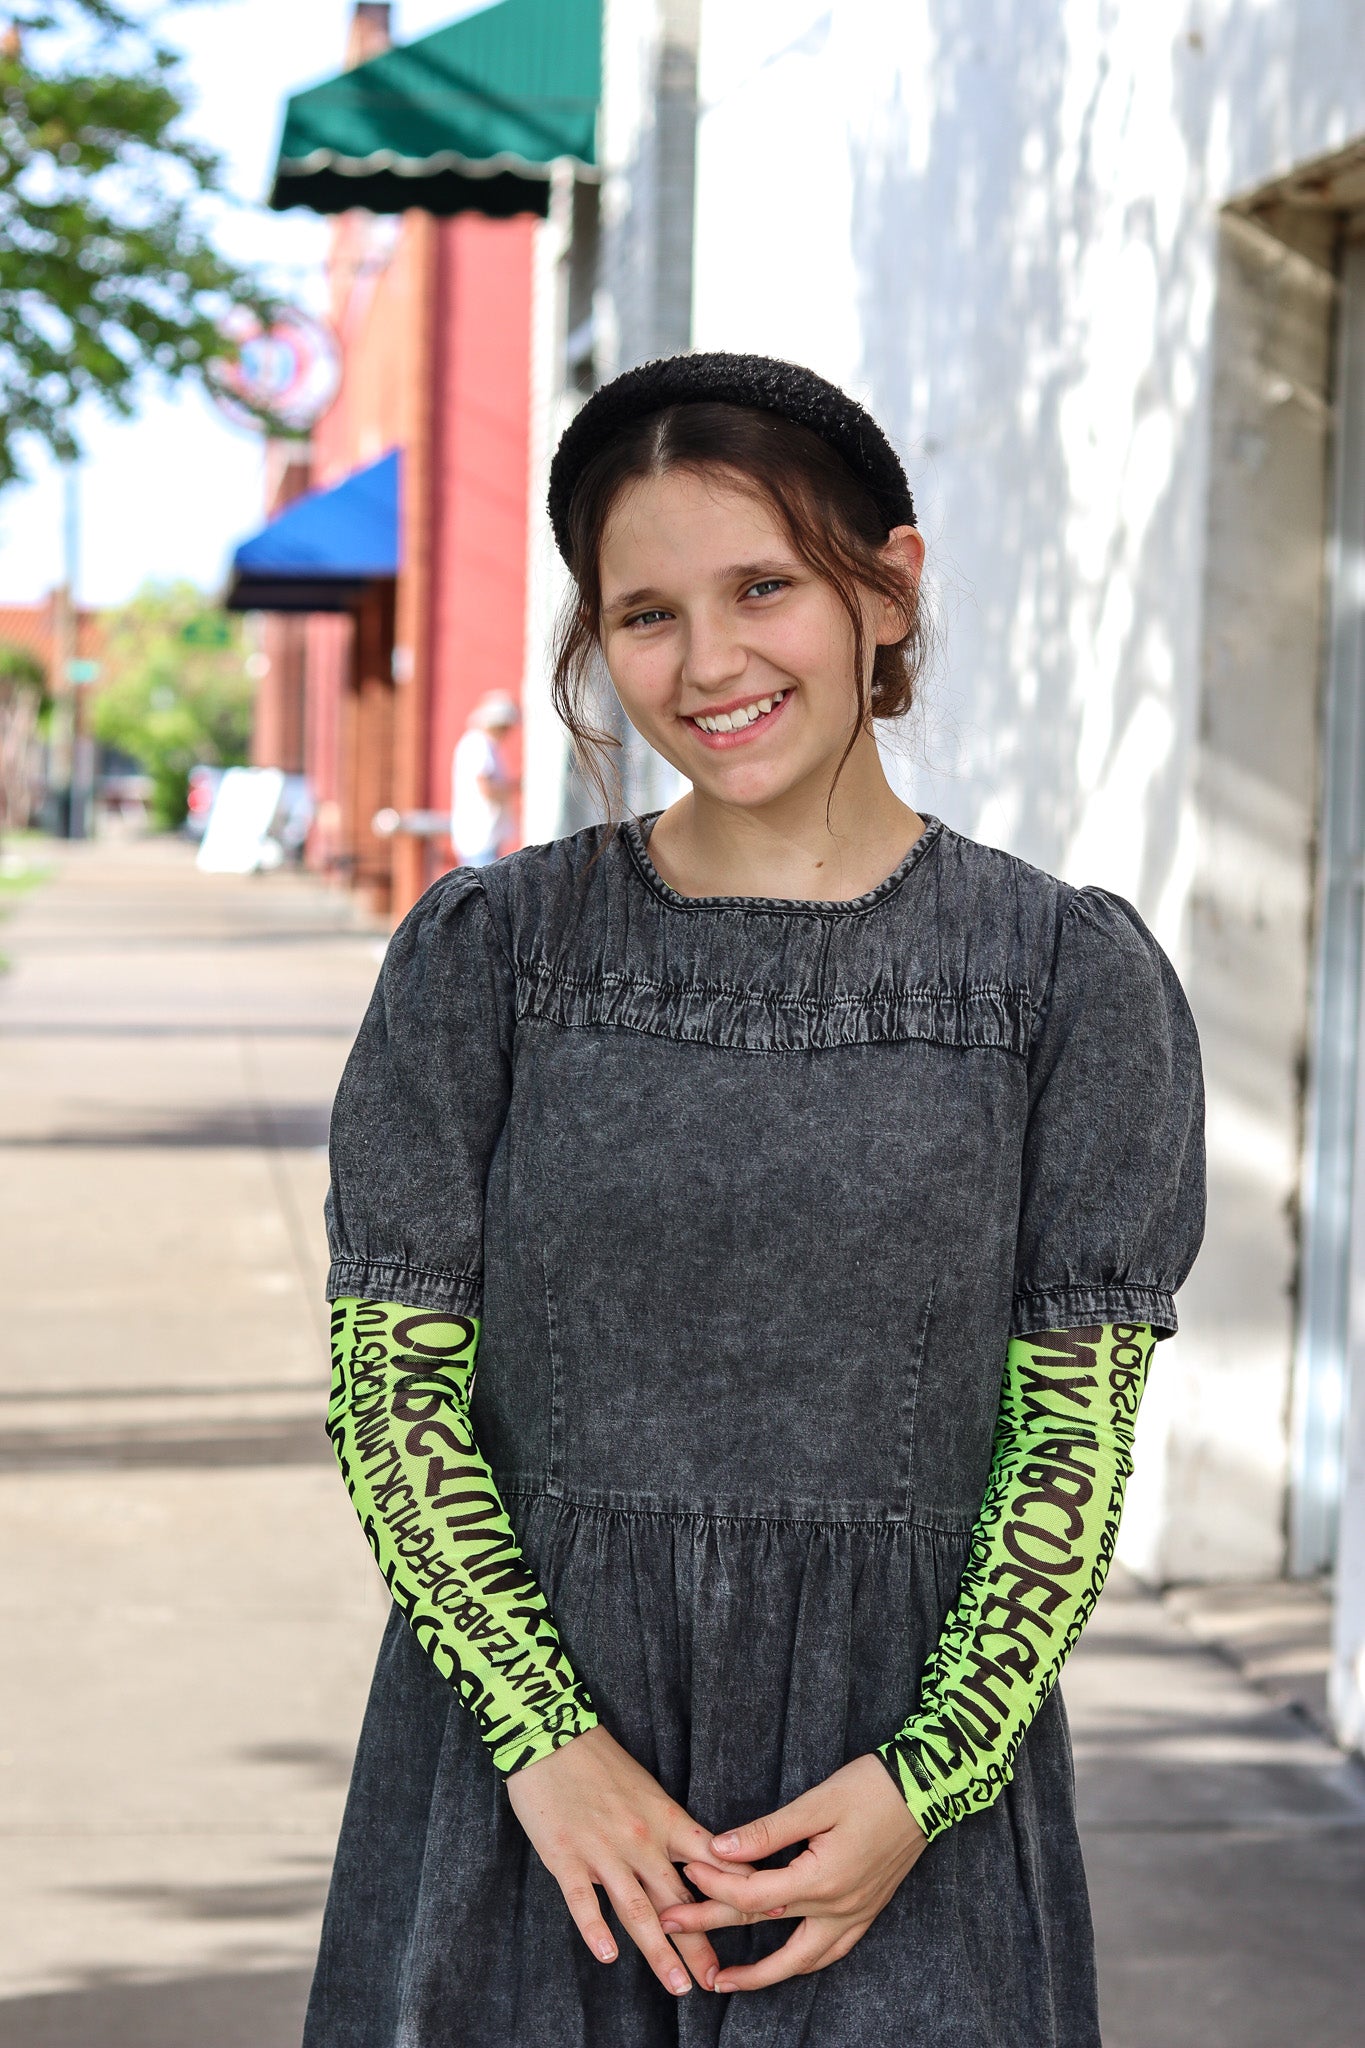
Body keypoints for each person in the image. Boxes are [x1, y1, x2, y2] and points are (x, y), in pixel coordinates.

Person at [305, 353, 1205, 2047]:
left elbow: (1074, 1437)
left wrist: (928, 1778)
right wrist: (545, 1742)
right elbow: (394, 1394)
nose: (709, 662)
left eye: (765, 586)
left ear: (889, 581)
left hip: (899, 1812)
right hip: (537, 1814)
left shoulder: (1063, 981)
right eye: (646, 613)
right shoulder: (489, 960)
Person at [450, 691, 520, 866]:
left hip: (484, 837)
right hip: (479, 836)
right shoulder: (479, 744)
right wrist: (514, 787)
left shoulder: (484, 745)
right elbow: (486, 788)